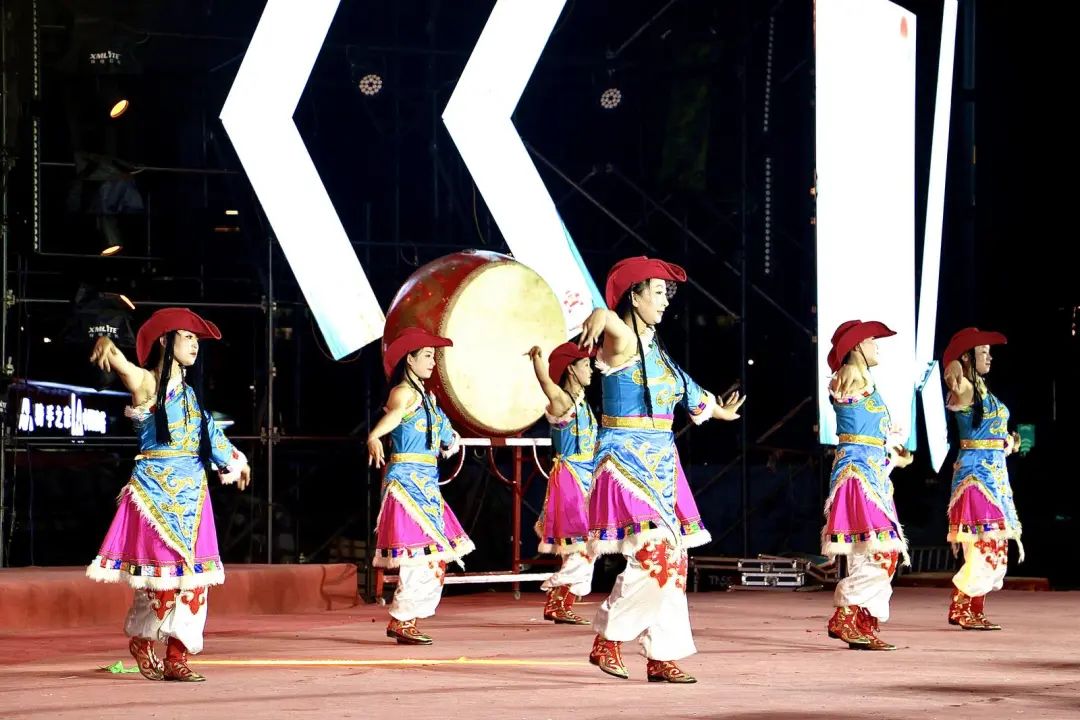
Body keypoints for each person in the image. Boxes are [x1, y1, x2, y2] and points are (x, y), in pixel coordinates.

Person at [576, 256, 745, 684]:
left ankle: (661, 654)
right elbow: (608, 320)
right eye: (657, 293)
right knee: (655, 554)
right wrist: (599, 314)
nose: (665, 302)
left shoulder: (659, 353)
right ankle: (609, 638)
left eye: (666, 294)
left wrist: (720, 411)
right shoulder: (623, 341)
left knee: (675, 560)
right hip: (626, 460)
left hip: (663, 466)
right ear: (634, 297)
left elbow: (690, 392)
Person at [86, 307, 251, 682]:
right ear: (165, 340)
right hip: (156, 496)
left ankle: (177, 656)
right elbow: (124, 368)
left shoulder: (191, 397)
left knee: (195, 582)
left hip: (194, 495)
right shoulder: (147, 383)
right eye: (188, 336)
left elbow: (212, 437)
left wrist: (236, 462)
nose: (194, 344)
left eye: (196, 339)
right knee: (159, 578)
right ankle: (143, 640)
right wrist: (108, 344)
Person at [368, 327, 474, 645]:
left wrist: (451, 439)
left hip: (427, 485)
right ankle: (402, 620)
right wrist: (375, 435)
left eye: (433, 356)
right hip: (406, 484)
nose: (432, 362)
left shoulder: (428, 399)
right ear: (409, 360)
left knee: (435, 557)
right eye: (427, 355)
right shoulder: (403, 393)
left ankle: (407, 619)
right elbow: (396, 416)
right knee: (419, 555)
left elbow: (446, 436)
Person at [821, 320, 913, 652]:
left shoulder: (866, 381)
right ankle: (845, 613)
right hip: (858, 474)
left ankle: (861, 622)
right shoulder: (851, 375)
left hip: (872, 472)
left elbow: (867, 435)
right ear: (858, 346)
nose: (877, 348)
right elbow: (843, 395)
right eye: (873, 341)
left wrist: (894, 458)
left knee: (867, 552)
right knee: (883, 550)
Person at [941, 327, 1021, 630]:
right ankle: (962, 605)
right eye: (983, 352)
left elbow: (990, 434)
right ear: (967, 357)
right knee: (984, 543)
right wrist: (955, 364)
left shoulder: (984, 391)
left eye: (989, 352)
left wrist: (1008, 443)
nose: (989, 357)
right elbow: (952, 378)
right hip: (975, 477)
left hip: (995, 476)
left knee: (996, 545)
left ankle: (973, 607)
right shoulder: (965, 388)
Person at [527, 341, 597, 625]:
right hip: (570, 477)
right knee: (581, 541)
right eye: (586, 365)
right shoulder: (563, 401)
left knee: (589, 544)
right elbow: (546, 382)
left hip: (588, 475)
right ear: (571, 369)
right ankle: (557, 599)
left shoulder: (584, 405)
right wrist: (537, 360)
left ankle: (561, 603)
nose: (591, 370)